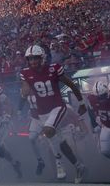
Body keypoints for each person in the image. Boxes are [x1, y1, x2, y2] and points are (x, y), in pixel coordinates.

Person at [20, 44, 87, 183]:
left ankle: (59, 165)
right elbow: (25, 87)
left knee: (48, 131)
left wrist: (81, 103)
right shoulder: (25, 73)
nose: (32, 62)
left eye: (35, 58)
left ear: (42, 58)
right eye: (30, 59)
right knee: (59, 143)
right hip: (42, 111)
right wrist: (24, 91)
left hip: (57, 107)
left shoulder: (54, 68)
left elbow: (71, 85)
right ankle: (78, 165)